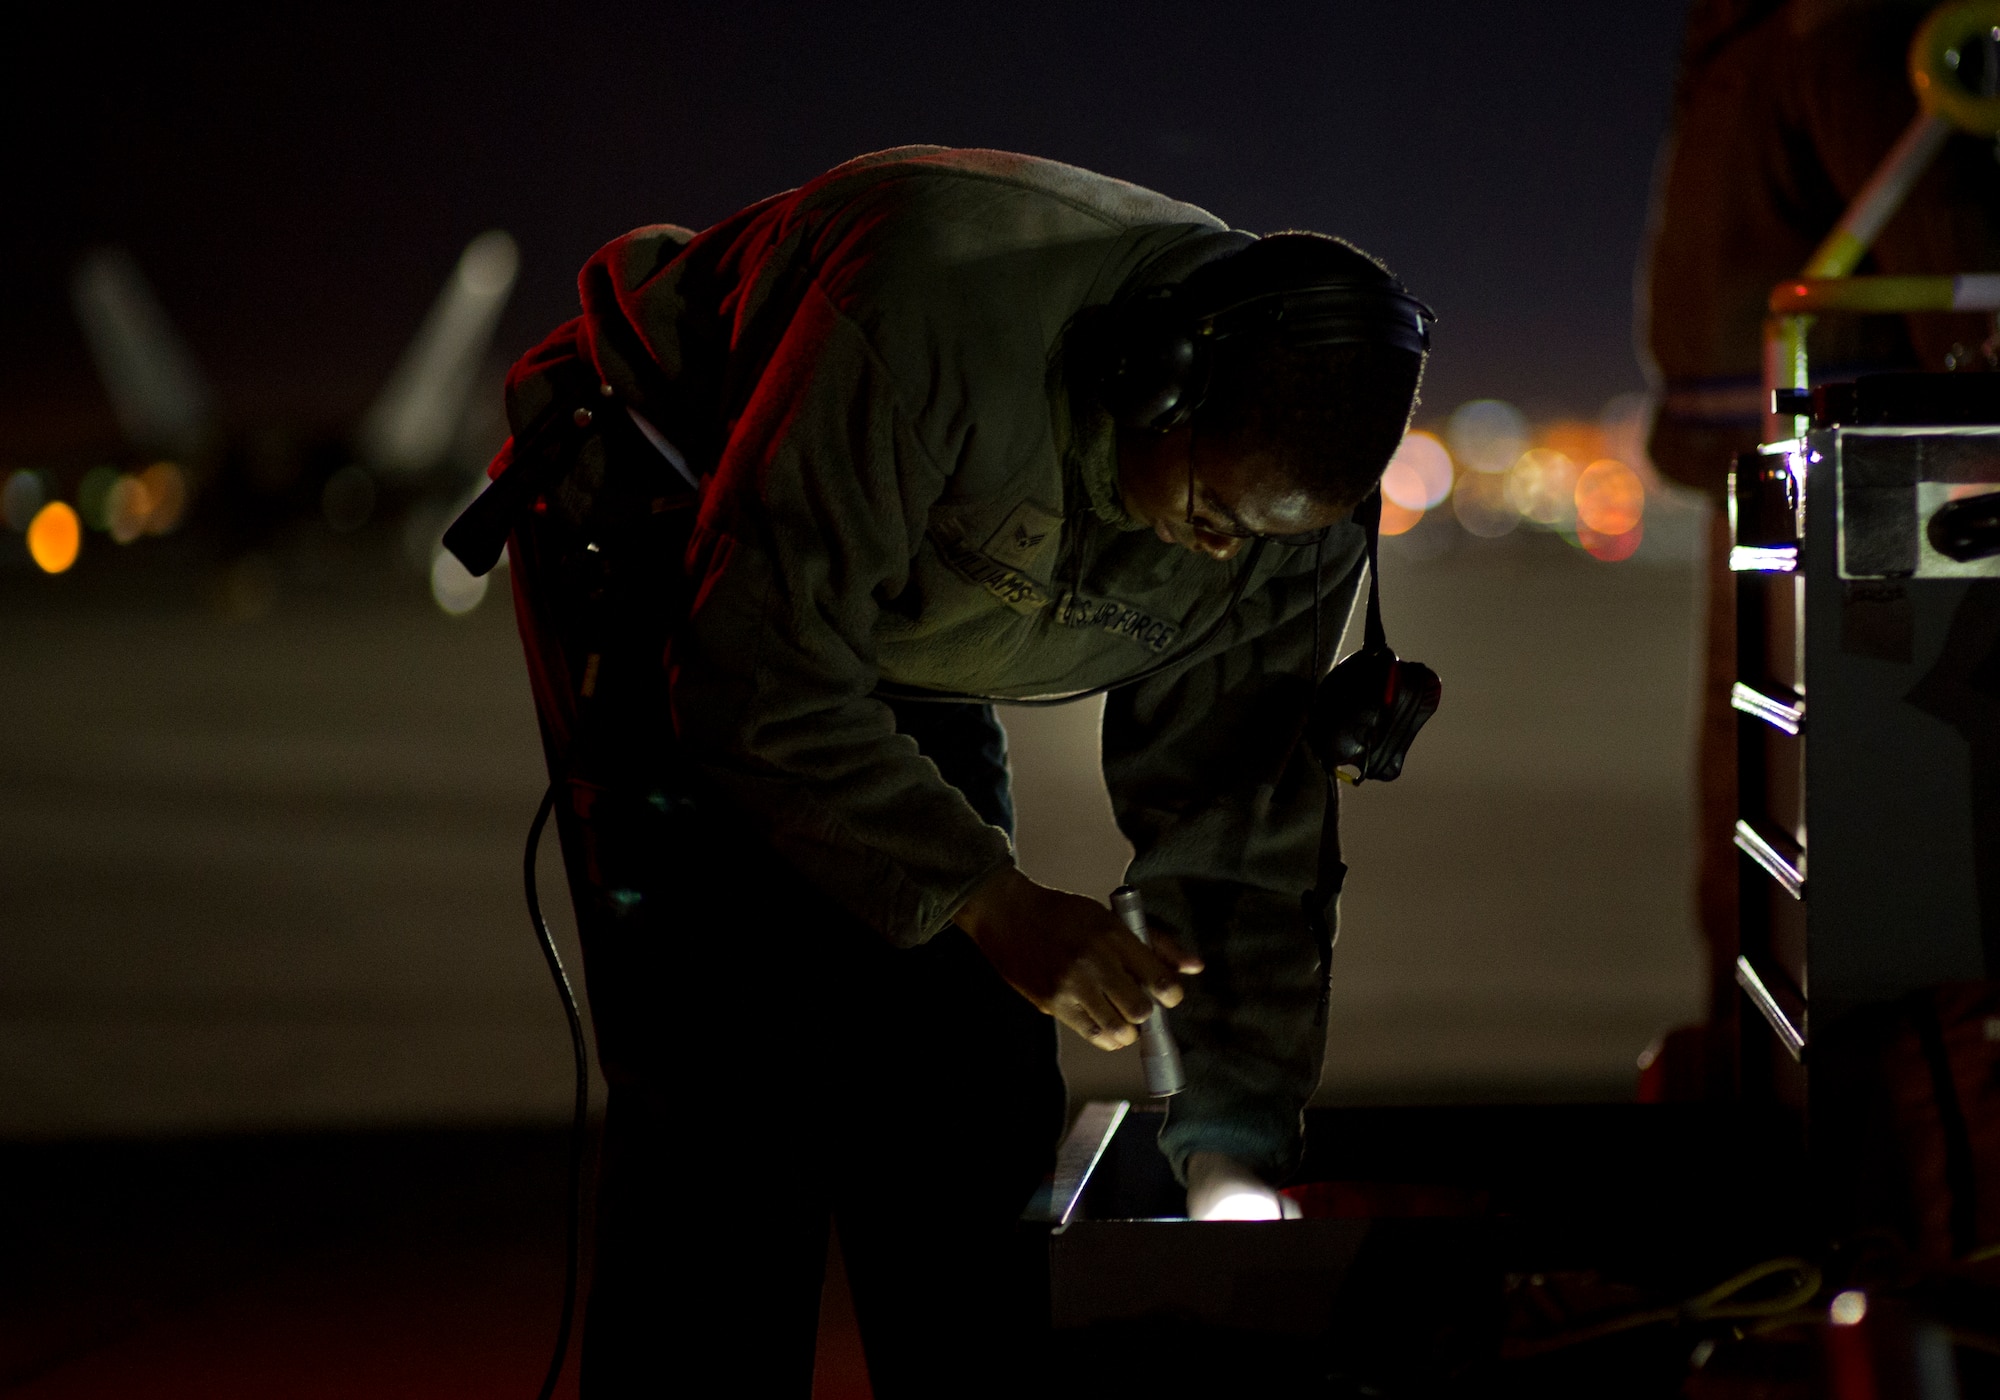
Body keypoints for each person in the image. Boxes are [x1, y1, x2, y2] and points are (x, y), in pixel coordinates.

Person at [492, 146, 1428, 1395]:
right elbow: (754, 679)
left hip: (892, 615)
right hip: (677, 543)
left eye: (1261, 538)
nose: (1219, 556)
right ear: (1152, 389)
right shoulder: (927, 311)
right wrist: (992, 899)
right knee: (731, 1099)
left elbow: (1238, 819)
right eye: (1211, 511)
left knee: (966, 1088)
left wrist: (1231, 1154)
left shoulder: (1280, 522)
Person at [1641, 0, 2000, 1093]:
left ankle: (1812, 1141)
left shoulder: (1785, 51)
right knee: (1803, 847)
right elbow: (1957, 297)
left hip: (1816, 502)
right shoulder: (1810, 48)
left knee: (1793, 848)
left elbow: (1953, 301)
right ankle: (1830, 1143)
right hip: (1827, 493)